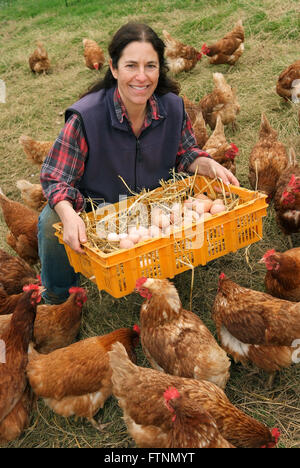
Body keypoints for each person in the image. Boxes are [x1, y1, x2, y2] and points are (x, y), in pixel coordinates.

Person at [39, 22, 239, 304]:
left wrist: (208, 164)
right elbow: (54, 177)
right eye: (131, 66)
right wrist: (70, 215)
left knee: (198, 199)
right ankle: (58, 299)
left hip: (155, 204)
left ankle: (169, 264)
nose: (142, 77)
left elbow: (185, 153)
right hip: (102, 211)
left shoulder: (171, 106)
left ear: (161, 68)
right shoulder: (87, 118)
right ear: (114, 68)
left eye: (151, 66)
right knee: (52, 220)